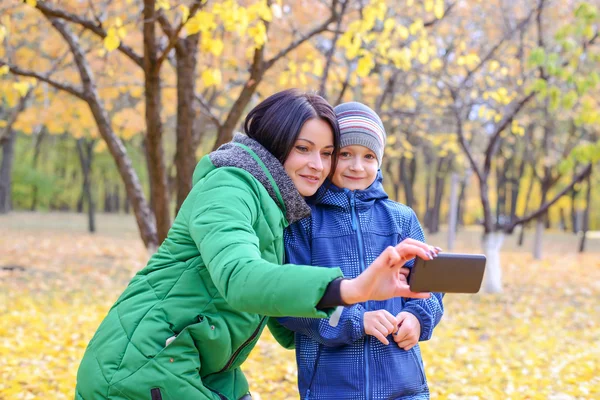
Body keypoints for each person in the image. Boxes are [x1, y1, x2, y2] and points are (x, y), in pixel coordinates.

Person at [74, 90, 439, 400]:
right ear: (277, 142)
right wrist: (352, 292)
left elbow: (283, 320)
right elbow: (241, 277)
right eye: (303, 148)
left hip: (206, 366)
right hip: (145, 363)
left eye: (326, 152)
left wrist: (396, 321)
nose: (317, 164)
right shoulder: (228, 186)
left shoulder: (281, 209)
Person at [278, 102, 445, 400]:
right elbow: (291, 303)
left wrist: (418, 318)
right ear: (329, 158)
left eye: (368, 156)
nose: (358, 166)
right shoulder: (303, 221)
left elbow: (431, 288)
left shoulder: (400, 218)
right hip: (331, 387)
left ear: (379, 162)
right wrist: (356, 320)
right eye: (345, 155)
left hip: (403, 385)